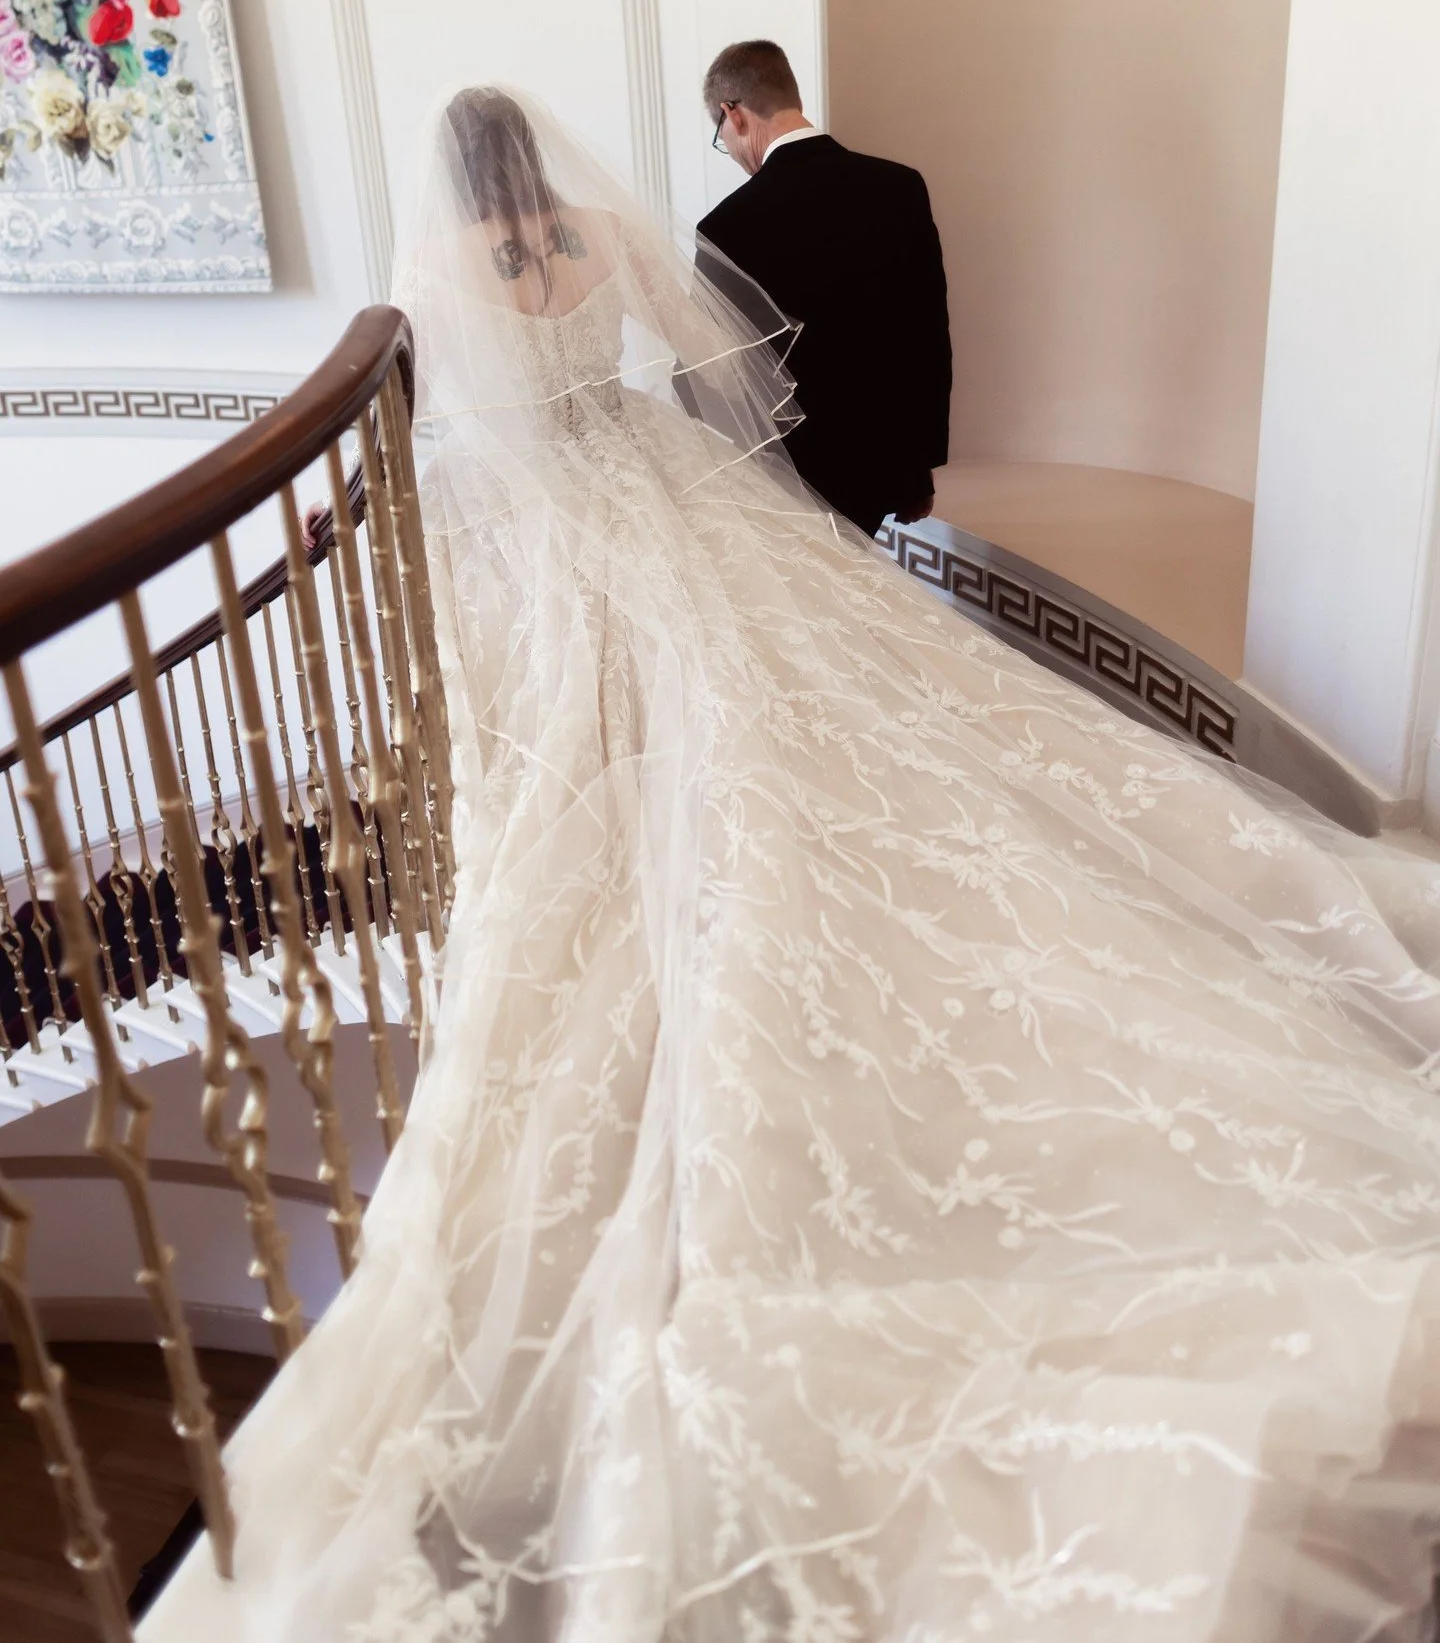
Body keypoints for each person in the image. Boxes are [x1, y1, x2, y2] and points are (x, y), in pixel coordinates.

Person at [168, 87, 1440, 1643]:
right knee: (796, 693)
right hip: (652, 478)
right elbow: (717, 367)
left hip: (536, 511)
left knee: (591, 721)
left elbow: (434, 414)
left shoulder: (435, 269)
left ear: (448, 175)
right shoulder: (607, 235)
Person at [697, 39, 951, 536]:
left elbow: (710, 369)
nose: (726, 149)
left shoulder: (726, 226)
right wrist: (917, 470)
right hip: (880, 468)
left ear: (734, 113)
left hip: (781, 478)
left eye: (719, 134)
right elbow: (926, 335)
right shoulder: (900, 188)